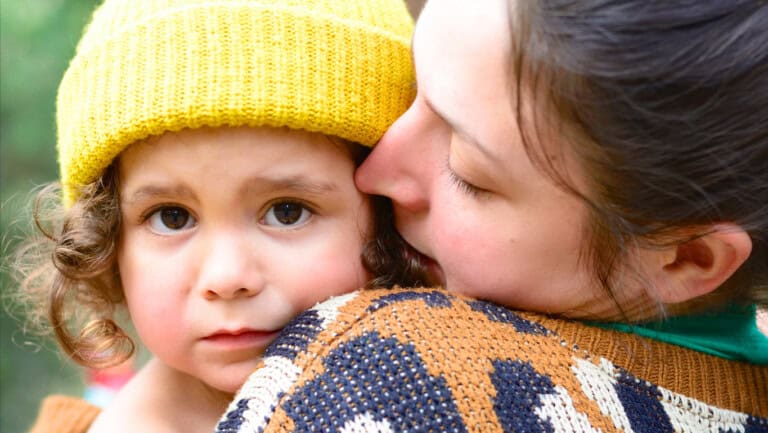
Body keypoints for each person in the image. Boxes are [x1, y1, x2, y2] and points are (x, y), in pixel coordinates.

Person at [217, 0, 768, 431]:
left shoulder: (388, 374)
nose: (374, 171)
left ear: (684, 259)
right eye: (411, 91)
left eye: (467, 173)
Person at [15, 0, 420, 432]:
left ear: (390, 214)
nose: (227, 278)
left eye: (287, 211)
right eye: (171, 217)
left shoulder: (466, 382)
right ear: (107, 245)